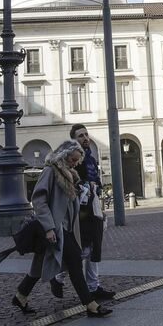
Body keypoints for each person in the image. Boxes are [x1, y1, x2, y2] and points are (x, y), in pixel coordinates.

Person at [10, 140, 111, 318]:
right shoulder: (50, 171)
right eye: (72, 159)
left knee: (41, 263)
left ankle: (20, 296)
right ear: (64, 155)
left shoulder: (70, 174)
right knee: (74, 262)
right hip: (56, 227)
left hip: (67, 228)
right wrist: (49, 228)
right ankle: (90, 304)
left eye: (77, 161)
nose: (74, 163)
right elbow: (39, 200)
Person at [54, 124, 115, 302]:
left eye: (86, 134)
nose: (86, 138)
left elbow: (96, 181)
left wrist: (96, 189)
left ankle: (93, 286)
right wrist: (85, 186)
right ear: (74, 140)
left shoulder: (91, 159)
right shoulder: (72, 161)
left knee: (93, 249)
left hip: (93, 209)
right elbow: (70, 184)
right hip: (80, 213)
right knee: (84, 250)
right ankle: (58, 276)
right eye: (81, 136)